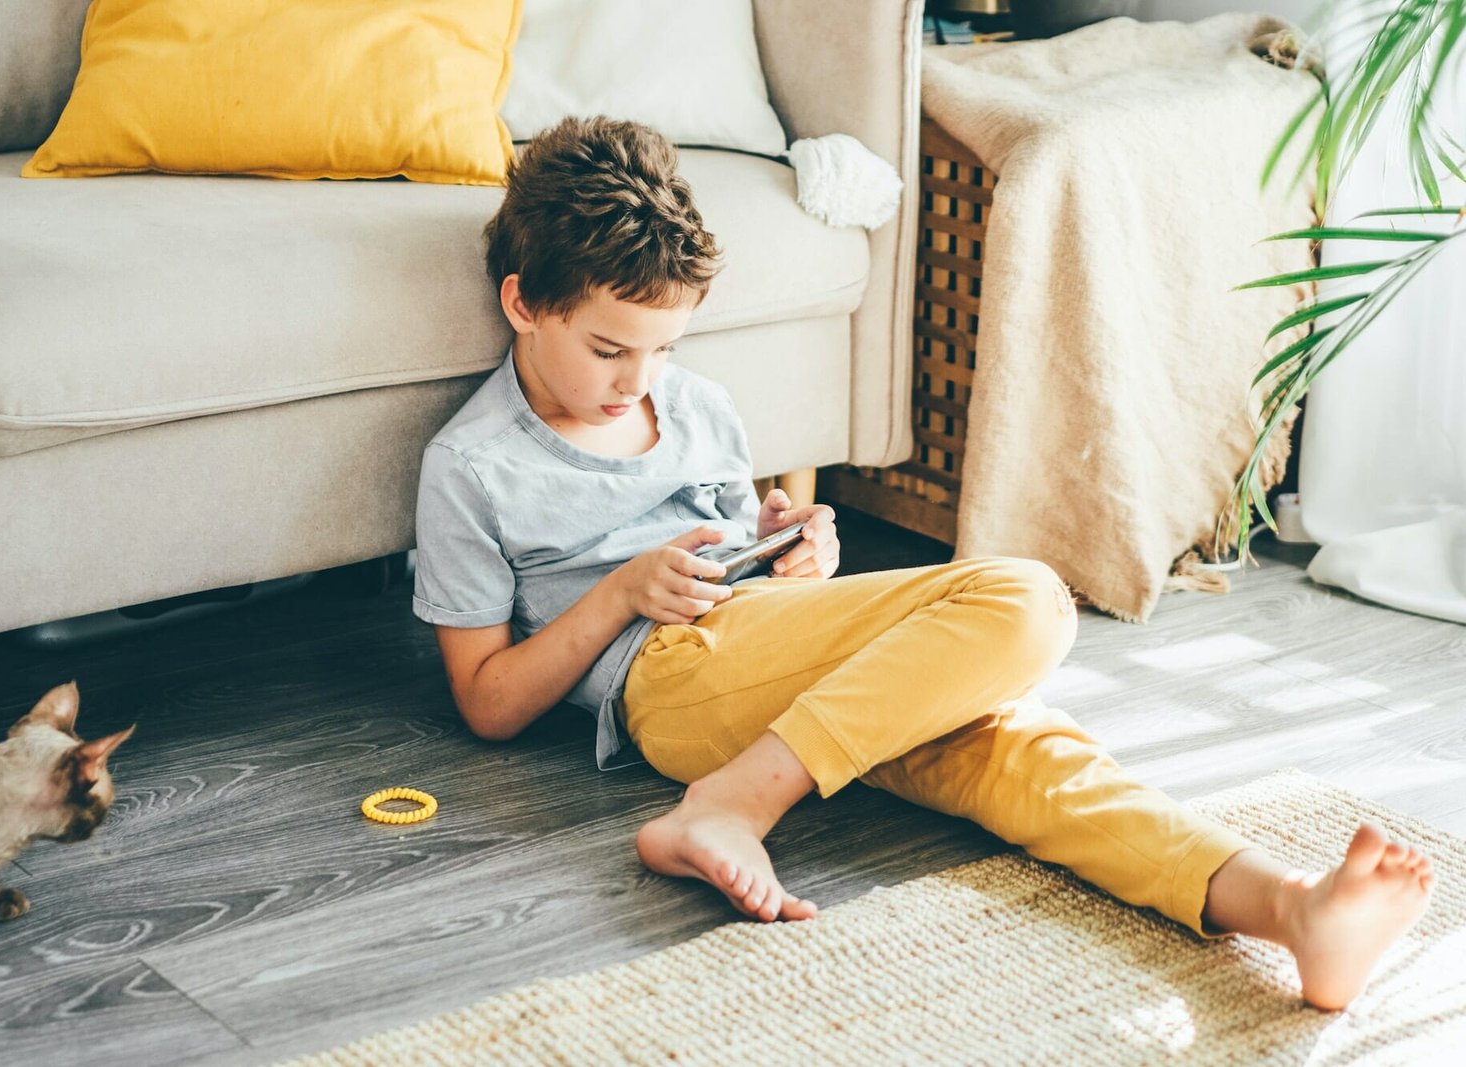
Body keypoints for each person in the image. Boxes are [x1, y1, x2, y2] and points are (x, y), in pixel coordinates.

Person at [411, 116, 1434, 1012]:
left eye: (664, 350)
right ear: (522, 303)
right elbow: (489, 702)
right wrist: (618, 593)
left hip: (765, 673)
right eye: (607, 350)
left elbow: (750, 575)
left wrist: (794, 551)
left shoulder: (696, 407)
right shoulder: (473, 463)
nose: (639, 380)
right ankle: (729, 802)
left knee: (1014, 750)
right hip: (664, 683)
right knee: (1026, 596)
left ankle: (1290, 909)